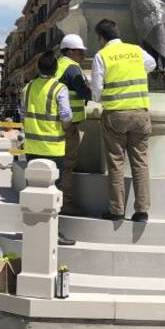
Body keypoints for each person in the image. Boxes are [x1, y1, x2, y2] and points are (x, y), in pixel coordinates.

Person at [91, 18, 155, 222]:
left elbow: (96, 91)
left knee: (116, 163)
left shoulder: (102, 55)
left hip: (115, 116)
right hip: (140, 113)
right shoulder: (136, 50)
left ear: (101, 38)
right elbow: (151, 64)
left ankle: (117, 210)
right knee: (140, 163)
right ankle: (142, 211)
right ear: (117, 32)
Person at [22, 50, 78, 245]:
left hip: (31, 147)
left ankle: (32, 230)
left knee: (33, 190)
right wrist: (66, 128)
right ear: (55, 69)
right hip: (54, 149)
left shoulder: (27, 88)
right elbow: (66, 116)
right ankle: (55, 232)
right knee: (54, 192)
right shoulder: (59, 88)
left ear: (38, 68)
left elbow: (23, 113)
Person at [54, 34, 93, 216]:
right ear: (70, 51)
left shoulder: (58, 65)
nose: (83, 56)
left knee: (57, 163)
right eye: (80, 52)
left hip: (55, 123)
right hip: (68, 124)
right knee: (68, 164)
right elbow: (85, 93)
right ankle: (64, 203)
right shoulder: (72, 68)